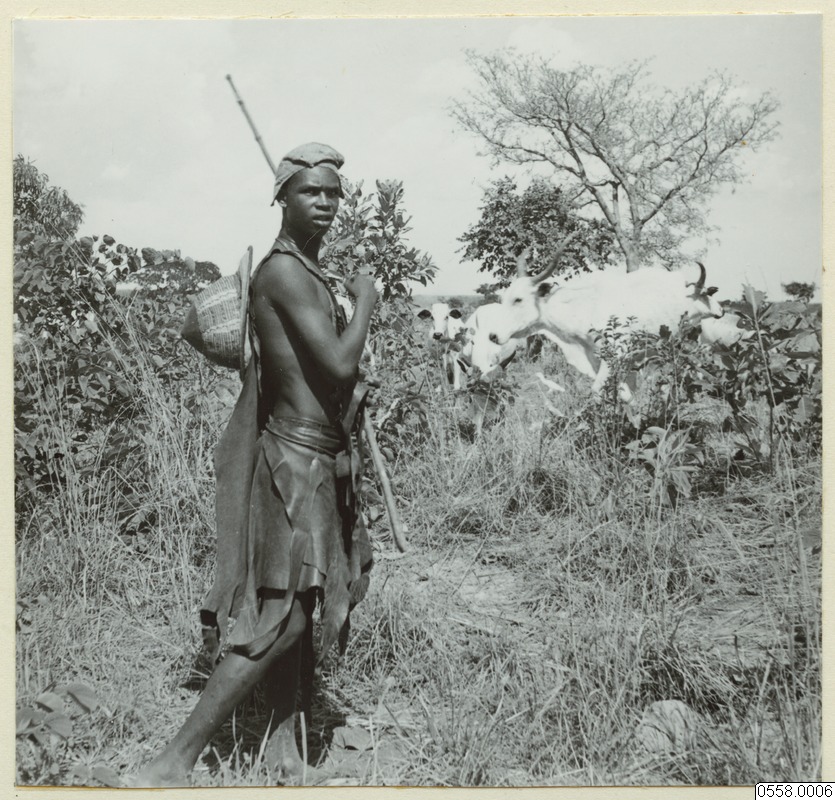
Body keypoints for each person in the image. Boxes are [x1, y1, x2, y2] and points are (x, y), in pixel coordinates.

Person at [132, 143, 377, 787]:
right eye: (310, 191)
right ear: (282, 198)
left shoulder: (309, 272)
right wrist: (367, 302)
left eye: (333, 193)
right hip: (293, 463)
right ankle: (172, 762)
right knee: (284, 617)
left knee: (300, 604)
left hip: (316, 457)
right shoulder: (285, 274)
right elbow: (339, 364)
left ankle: (284, 752)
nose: (325, 202)